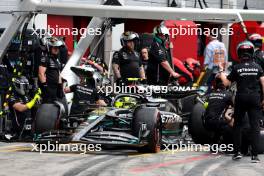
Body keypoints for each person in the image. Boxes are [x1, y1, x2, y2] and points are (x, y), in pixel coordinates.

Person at [219, 40, 264, 163]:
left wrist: (221, 72)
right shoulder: (258, 67)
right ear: (252, 52)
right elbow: (263, 82)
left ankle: (237, 152)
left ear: (239, 53)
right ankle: (255, 156)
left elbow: (226, 84)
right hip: (255, 97)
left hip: (241, 97)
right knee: (255, 126)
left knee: (238, 126)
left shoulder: (237, 68)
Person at [203, 76, 234, 143]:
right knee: (234, 124)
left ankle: (215, 143)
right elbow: (236, 108)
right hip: (218, 123)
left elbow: (205, 106)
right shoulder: (228, 95)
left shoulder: (209, 95)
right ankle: (228, 145)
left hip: (206, 123)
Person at [38, 37, 64, 103]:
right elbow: (41, 73)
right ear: (50, 48)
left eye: (57, 48)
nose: (57, 49)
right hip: (47, 88)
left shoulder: (57, 60)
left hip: (55, 88)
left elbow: (58, 73)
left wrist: (60, 87)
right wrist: (45, 86)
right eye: (55, 48)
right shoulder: (45, 58)